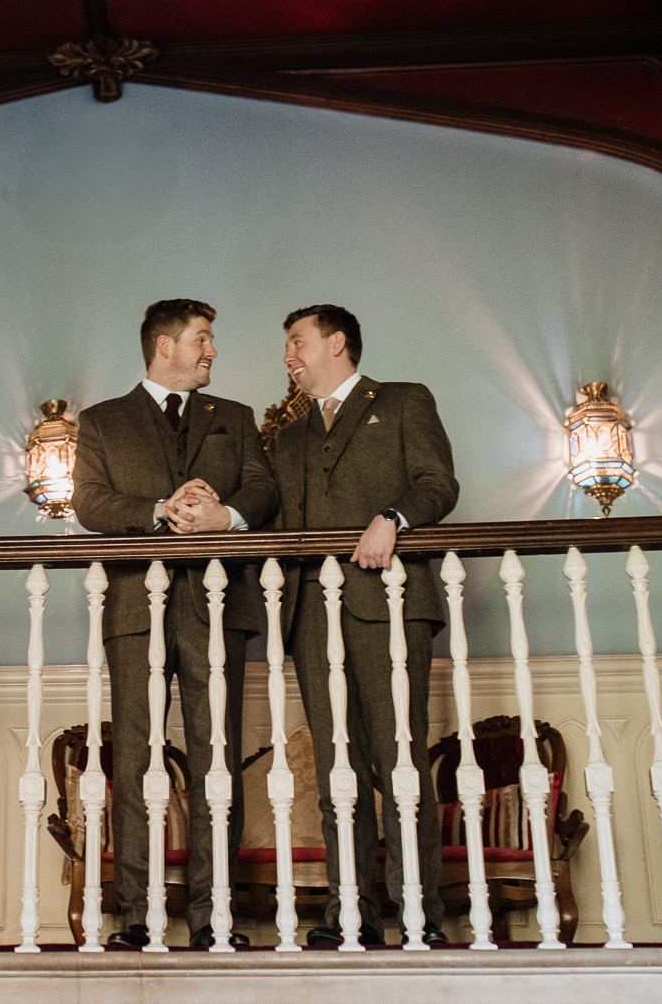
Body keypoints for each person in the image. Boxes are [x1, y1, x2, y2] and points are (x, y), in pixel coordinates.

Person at [73, 298, 279, 949]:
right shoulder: (103, 422)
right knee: (134, 760)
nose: (213, 350)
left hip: (222, 608)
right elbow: (88, 502)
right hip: (137, 607)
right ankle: (138, 916)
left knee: (219, 758)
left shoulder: (237, 419)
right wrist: (162, 509)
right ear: (166, 346)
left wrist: (226, 518)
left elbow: (263, 489)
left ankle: (215, 916)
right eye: (203, 338)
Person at [271, 304, 459, 947]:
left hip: (391, 606)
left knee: (400, 761)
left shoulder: (404, 400)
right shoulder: (289, 437)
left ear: (338, 342)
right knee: (335, 772)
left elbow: (439, 484)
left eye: (298, 342)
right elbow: (271, 517)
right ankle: (348, 915)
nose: (289, 356)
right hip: (310, 618)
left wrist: (394, 516)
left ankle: (418, 916)